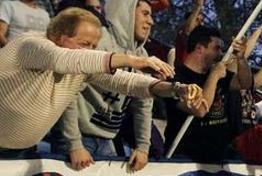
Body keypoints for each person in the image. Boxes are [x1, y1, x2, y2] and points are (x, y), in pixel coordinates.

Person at [0, 7, 201, 158]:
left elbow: (127, 82)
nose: (91, 51)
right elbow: (61, 59)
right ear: (60, 37)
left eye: (94, 46)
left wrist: (177, 89)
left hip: (20, 151)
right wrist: (134, 60)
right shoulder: (31, 44)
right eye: (85, 44)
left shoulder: (81, 67)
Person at [54, 0, 160, 171]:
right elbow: (69, 90)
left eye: (152, 15)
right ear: (125, 12)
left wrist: (142, 148)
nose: (151, 21)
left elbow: (143, 105)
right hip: (76, 137)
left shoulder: (142, 54)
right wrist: (74, 144)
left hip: (107, 139)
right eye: (145, 14)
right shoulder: (99, 41)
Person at [163, 25, 251, 162]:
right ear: (199, 48)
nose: (221, 54)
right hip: (186, 159)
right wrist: (214, 76)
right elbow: (200, 109)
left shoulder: (217, 72)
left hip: (219, 158)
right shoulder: (176, 79)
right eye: (216, 48)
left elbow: (245, 83)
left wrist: (241, 59)